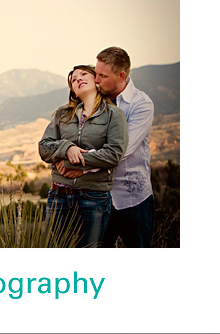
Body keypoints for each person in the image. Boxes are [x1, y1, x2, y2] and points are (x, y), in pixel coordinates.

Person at [39, 65, 128, 248]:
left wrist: (72, 163)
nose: (78, 78)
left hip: (93, 197)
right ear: (73, 92)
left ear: (96, 80)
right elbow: (44, 148)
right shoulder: (62, 115)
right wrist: (67, 147)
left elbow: (114, 154)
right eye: (73, 79)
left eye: (83, 74)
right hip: (58, 195)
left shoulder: (114, 115)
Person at [95, 47, 155, 247]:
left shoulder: (141, 104)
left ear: (121, 76)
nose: (96, 80)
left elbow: (121, 151)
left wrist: (81, 164)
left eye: (103, 76)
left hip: (133, 198)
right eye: (96, 74)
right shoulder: (94, 100)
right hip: (99, 196)